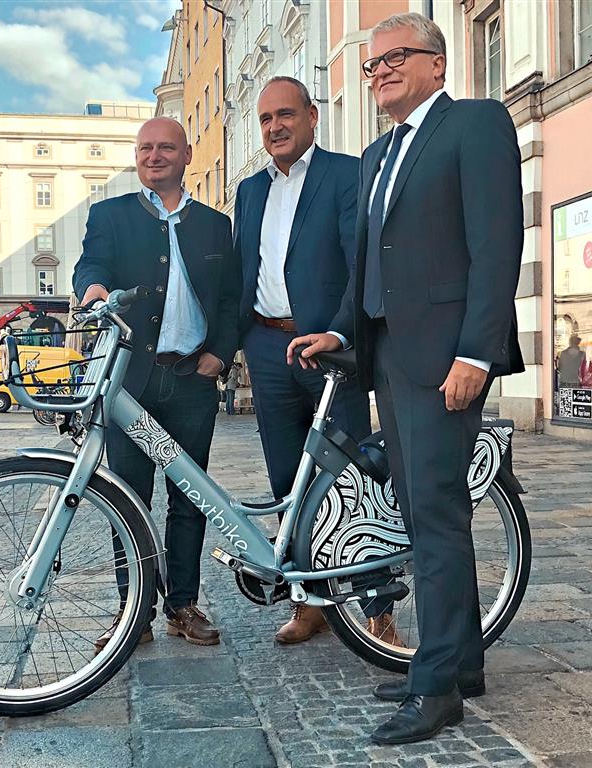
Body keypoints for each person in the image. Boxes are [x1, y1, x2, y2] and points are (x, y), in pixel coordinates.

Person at [287, 13, 524, 745]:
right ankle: (458, 660)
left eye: (398, 57)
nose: (382, 69)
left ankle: (436, 691)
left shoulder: (474, 124)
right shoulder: (377, 153)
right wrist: (340, 329)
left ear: (437, 65)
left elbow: (496, 240)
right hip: (386, 357)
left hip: (443, 358)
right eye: (372, 62)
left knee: (436, 520)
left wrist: (476, 354)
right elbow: (369, 264)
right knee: (423, 515)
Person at [73, 116, 240, 651]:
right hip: (133, 385)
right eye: (146, 148)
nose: (154, 156)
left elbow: (232, 297)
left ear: (186, 155)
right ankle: (134, 613)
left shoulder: (215, 224)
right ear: (137, 156)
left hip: (192, 379)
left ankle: (182, 605)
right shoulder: (110, 215)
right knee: (130, 499)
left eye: (166, 147)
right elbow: (89, 265)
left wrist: (220, 353)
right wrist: (93, 288)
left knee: (190, 498)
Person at [234, 76, 373, 645]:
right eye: (265, 119)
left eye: (285, 115)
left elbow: (360, 266)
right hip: (267, 347)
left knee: (352, 479)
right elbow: (244, 267)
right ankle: (309, 602)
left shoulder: (345, 173)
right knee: (287, 479)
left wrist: (339, 334)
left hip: (325, 348)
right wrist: (242, 339)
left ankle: (376, 604)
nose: (275, 127)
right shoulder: (249, 190)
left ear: (312, 117)